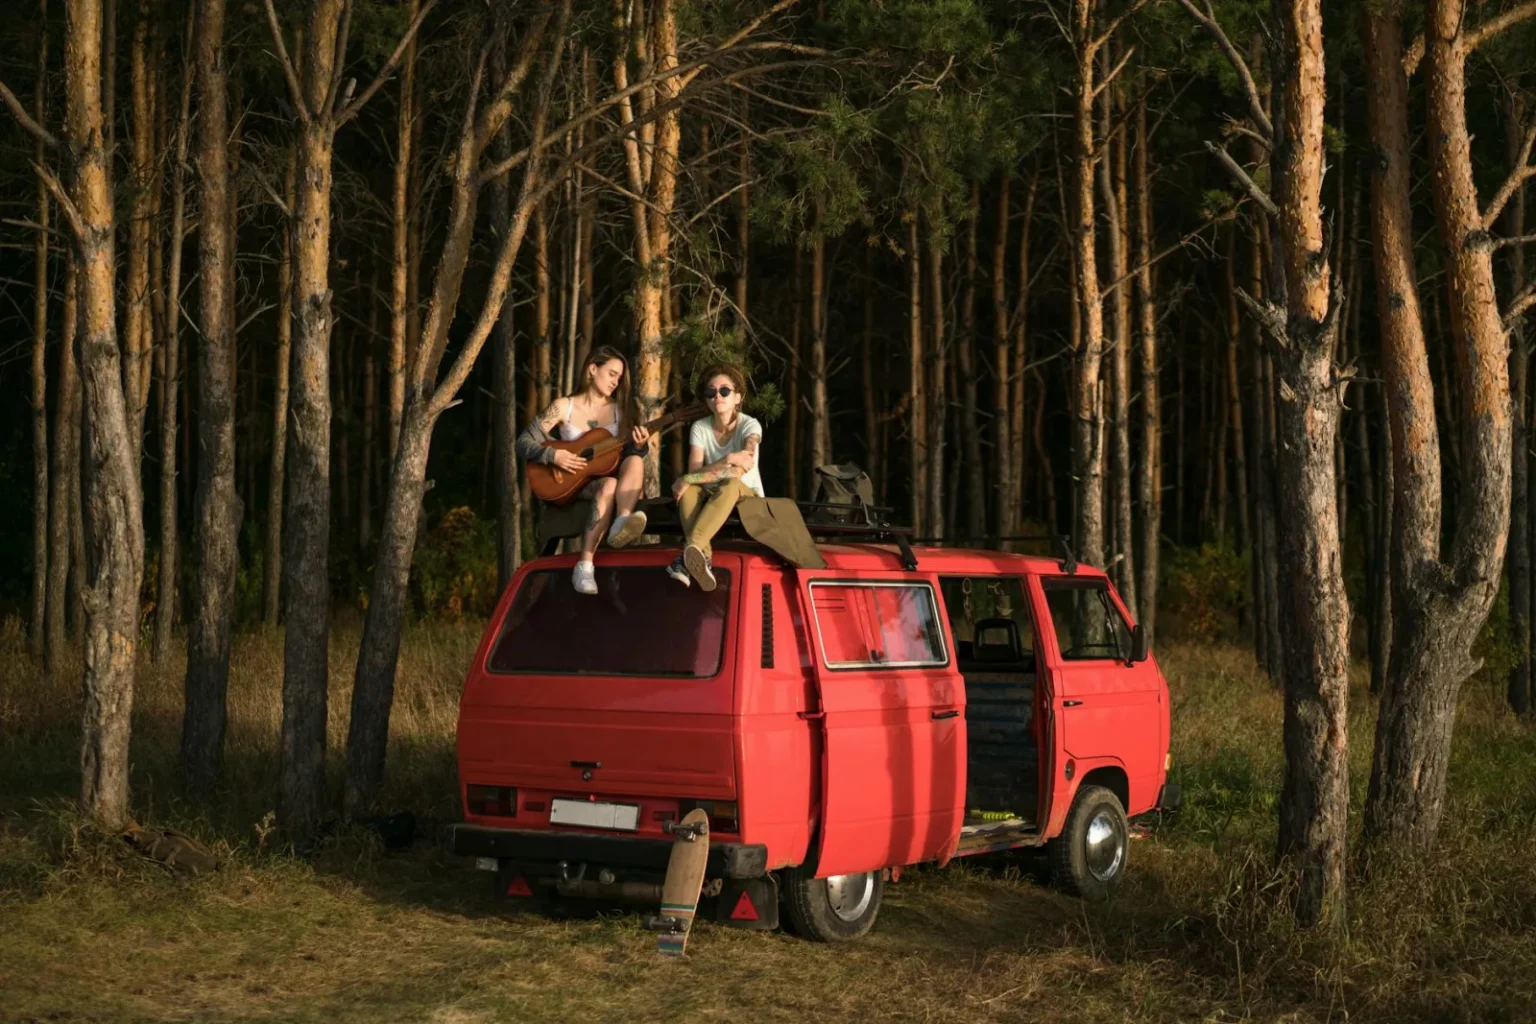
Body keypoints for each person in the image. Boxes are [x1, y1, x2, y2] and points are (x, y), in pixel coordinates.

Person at [516, 345, 651, 594]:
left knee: (634, 462)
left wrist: (640, 447)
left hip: (612, 482)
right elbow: (523, 442)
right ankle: (585, 568)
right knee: (608, 484)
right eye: (612, 374)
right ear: (592, 369)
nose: (616, 382)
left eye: (619, 378)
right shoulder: (563, 407)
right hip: (572, 482)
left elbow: (629, 454)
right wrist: (553, 455)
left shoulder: (620, 411)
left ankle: (621, 521)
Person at [668, 364, 763, 592]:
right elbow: (694, 473)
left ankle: (688, 553)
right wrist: (727, 459)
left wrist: (695, 476)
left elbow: (738, 471)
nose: (717, 396)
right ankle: (704, 557)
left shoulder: (750, 426)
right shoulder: (700, 428)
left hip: (746, 495)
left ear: (738, 397)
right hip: (711, 491)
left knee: (730, 484)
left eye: (724, 391)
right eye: (711, 392)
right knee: (689, 490)